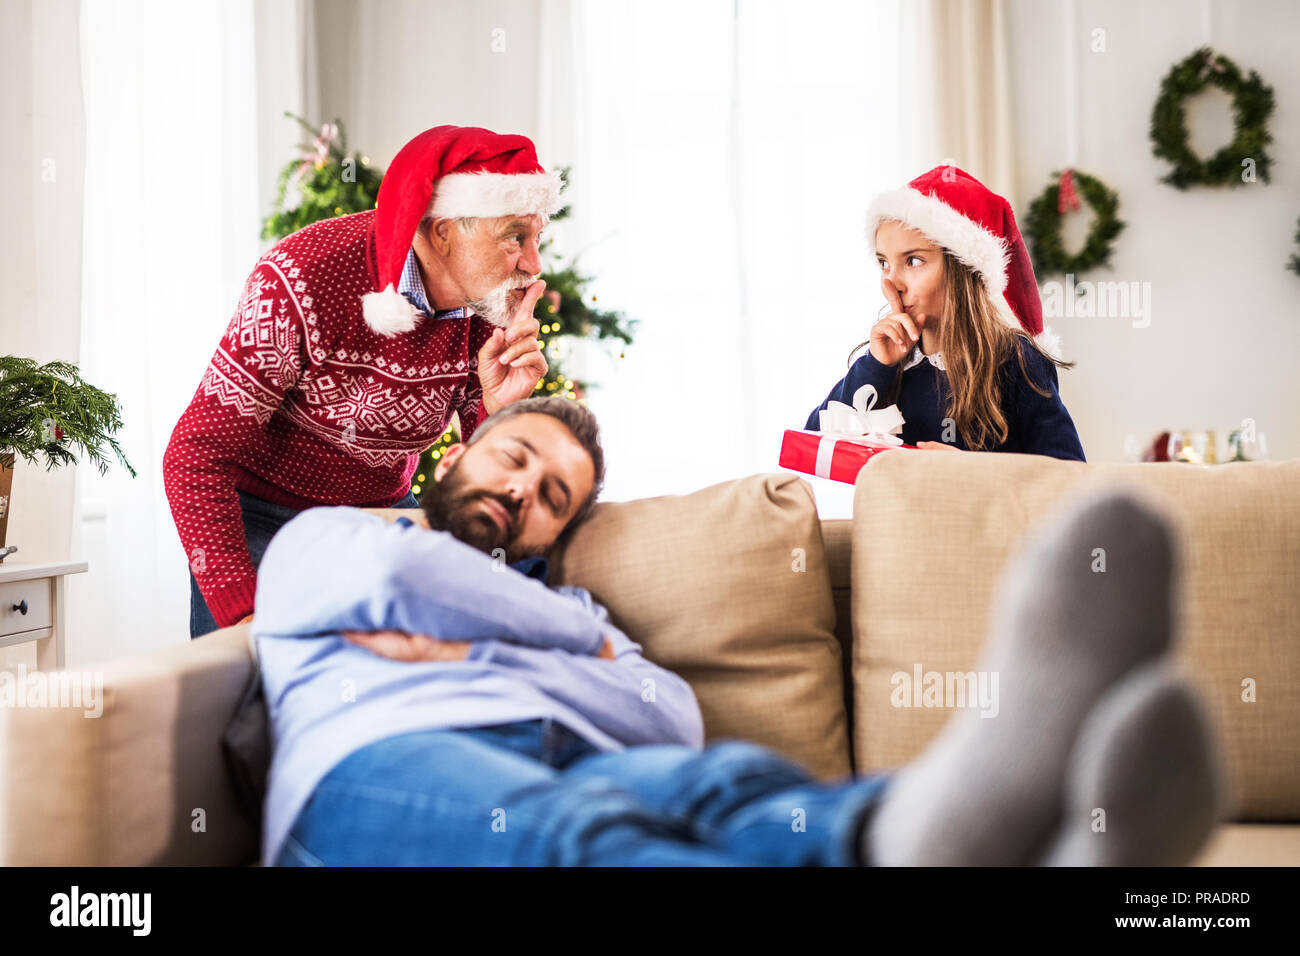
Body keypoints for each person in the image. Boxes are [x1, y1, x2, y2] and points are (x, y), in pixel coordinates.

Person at [253, 396, 1221, 866]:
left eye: (553, 496)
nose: (519, 492)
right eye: (513, 459)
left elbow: (668, 714)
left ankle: (924, 825)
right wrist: (560, 647)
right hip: (378, 755)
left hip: (572, 757)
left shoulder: (577, 608)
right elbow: (392, 571)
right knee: (580, 835)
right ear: (464, 448)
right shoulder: (336, 536)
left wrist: (475, 646)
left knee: (723, 782)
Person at [164, 125, 562, 638]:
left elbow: (479, 480)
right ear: (443, 231)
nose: (534, 264)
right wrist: (244, 614)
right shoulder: (303, 277)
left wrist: (498, 410)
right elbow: (194, 455)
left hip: (379, 510)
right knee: (245, 699)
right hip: (261, 515)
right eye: (515, 237)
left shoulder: (491, 302)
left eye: (536, 238)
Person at [806, 165, 1086, 461]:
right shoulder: (885, 363)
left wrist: (967, 475)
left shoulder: (1016, 361)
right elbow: (813, 445)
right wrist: (875, 368)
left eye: (913, 261)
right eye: (883, 263)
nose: (892, 282)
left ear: (962, 270)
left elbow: (1067, 476)